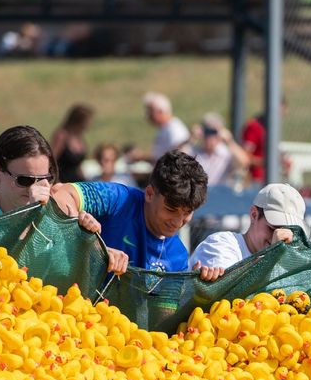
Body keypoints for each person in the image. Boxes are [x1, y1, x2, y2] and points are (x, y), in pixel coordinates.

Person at [51, 149, 208, 275]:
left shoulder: (178, 256)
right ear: (149, 194)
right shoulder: (118, 199)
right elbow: (61, 193)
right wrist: (90, 244)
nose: (178, 221)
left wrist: (192, 294)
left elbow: (164, 315)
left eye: (187, 212)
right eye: (171, 209)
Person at [190, 183, 304, 279]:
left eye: (291, 233)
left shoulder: (289, 262)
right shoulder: (220, 244)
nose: (280, 238)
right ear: (254, 215)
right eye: (273, 228)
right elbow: (227, 293)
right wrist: (272, 256)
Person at [189, 113, 250, 188]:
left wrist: (230, 141)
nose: (210, 137)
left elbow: (244, 162)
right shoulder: (194, 151)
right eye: (207, 132)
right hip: (199, 194)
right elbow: (175, 159)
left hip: (220, 195)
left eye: (213, 132)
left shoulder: (226, 153)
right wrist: (190, 138)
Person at [51, 104, 93, 184]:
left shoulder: (79, 136)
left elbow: (77, 165)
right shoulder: (62, 135)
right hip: (63, 181)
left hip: (77, 182)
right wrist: (56, 181)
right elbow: (52, 160)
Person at [144, 92, 190, 161]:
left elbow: (180, 155)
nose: (148, 115)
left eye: (150, 111)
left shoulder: (175, 129)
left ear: (161, 111)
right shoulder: (163, 128)